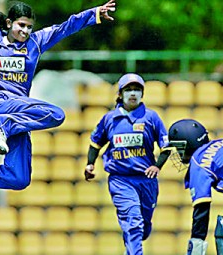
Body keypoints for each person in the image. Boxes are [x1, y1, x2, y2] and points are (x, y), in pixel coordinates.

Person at [0, 0, 116, 197]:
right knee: (56, 113)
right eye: (21, 25)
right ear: (8, 23)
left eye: (29, 26)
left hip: (19, 114)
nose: (25, 31)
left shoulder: (35, 42)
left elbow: (65, 27)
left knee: (18, 178)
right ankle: (2, 128)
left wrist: (94, 14)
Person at [84, 73, 171, 255]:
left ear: (142, 94)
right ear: (120, 94)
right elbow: (95, 143)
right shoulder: (110, 119)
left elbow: (166, 146)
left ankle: (132, 246)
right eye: (128, 89)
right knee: (133, 220)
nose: (133, 93)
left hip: (147, 180)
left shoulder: (151, 118)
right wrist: (90, 164)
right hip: (120, 180)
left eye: (137, 89)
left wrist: (157, 166)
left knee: (143, 226)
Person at [168, 118, 223, 255]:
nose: (177, 153)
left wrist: (196, 245)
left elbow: (201, 207)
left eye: (178, 148)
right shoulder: (222, 143)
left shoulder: (198, 162)